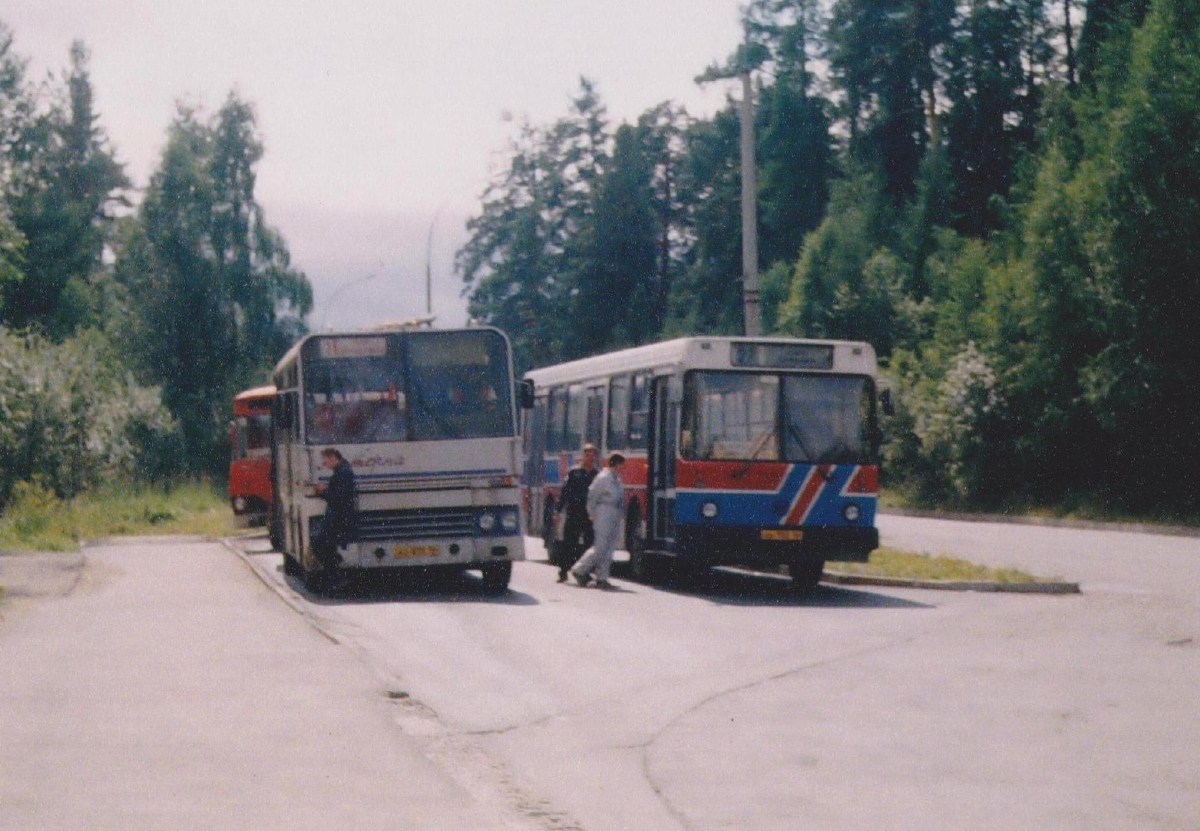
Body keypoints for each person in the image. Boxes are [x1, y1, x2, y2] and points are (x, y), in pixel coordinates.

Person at [571, 452, 626, 590]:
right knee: (600, 547)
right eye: (621, 465)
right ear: (616, 464)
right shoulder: (603, 477)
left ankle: (602, 578)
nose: (622, 468)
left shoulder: (616, 479)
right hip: (603, 511)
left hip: (614, 513)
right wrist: (591, 513)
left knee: (609, 548)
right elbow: (592, 495)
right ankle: (579, 569)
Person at [312, 448, 357, 592]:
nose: (325, 464)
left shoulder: (343, 472)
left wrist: (322, 492)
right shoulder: (342, 470)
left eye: (325, 460)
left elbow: (339, 497)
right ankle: (334, 576)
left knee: (319, 545)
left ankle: (337, 577)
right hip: (337, 517)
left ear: (332, 457)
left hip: (338, 518)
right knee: (326, 547)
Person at [553, 444, 599, 582]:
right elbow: (565, 492)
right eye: (587, 454)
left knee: (589, 544)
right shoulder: (574, 472)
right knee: (569, 543)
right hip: (574, 512)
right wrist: (558, 510)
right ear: (583, 455)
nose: (590, 457)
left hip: (589, 514)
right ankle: (563, 571)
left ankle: (585, 571)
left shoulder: (597, 475)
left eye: (592, 454)